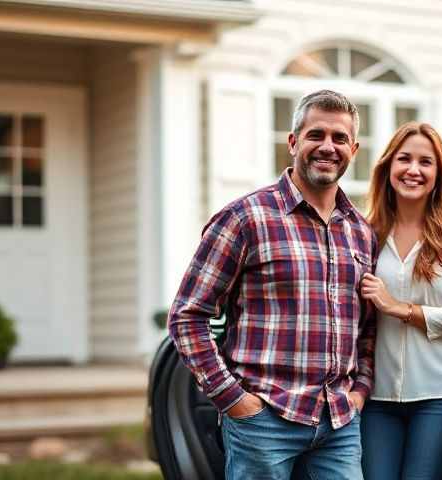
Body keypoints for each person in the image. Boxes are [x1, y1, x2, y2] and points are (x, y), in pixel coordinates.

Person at [168, 90, 377, 480]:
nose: (327, 147)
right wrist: (233, 400)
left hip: (339, 423)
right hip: (263, 422)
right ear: (294, 141)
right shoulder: (245, 218)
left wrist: (359, 390)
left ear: (354, 149)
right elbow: (187, 316)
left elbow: (366, 327)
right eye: (316, 135)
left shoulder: (361, 232)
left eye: (339, 138)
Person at [360, 122, 442, 479]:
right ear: (387, 168)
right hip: (377, 397)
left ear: (438, 173)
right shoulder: (365, 231)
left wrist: (397, 308)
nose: (413, 170)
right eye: (404, 159)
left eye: (425, 162)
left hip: (440, 395)